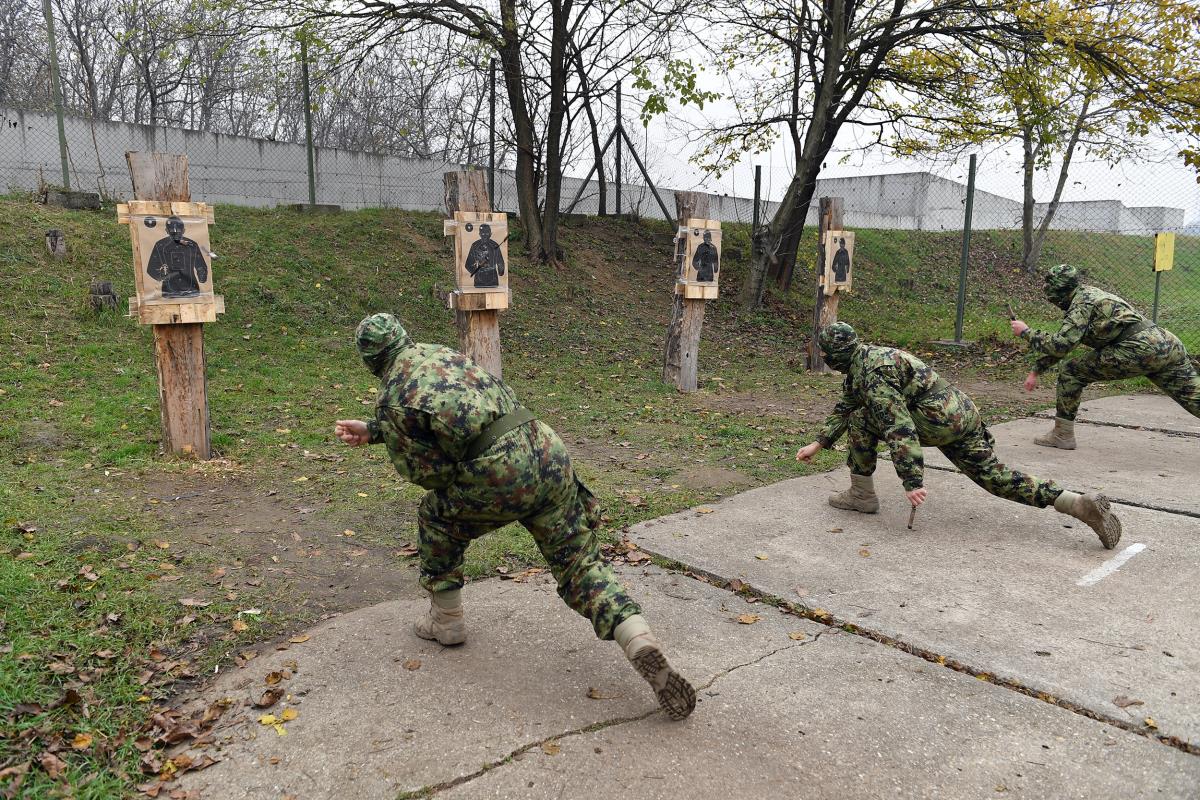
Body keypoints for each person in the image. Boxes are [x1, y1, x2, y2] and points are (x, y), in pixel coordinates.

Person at [334, 313, 696, 719]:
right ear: (404, 337)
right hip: (544, 448)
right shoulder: (440, 354)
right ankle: (636, 636)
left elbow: (429, 475)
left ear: (370, 360)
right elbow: (458, 410)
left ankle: (446, 620)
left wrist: (414, 446)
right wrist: (376, 430)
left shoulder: (392, 396)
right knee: (578, 563)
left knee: (436, 519)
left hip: (499, 472)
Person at [794, 322, 1122, 549]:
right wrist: (819, 443)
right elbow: (846, 403)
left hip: (936, 420)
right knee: (993, 475)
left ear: (835, 355)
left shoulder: (871, 374)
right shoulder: (868, 357)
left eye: (826, 354)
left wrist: (912, 481)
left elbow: (899, 427)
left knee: (862, 420)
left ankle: (861, 495)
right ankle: (1074, 503)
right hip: (963, 413)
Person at [1012, 263, 1199, 449]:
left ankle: (1062, 435)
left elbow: (1060, 345)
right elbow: (1068, 342)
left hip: (1138, 349)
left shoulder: (1081, 305)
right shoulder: (1089, 294)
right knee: (1194, 397)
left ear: (1058, 290)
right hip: (1167, 344)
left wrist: (1026, 332)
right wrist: (1037, 370)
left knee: (1071, 372)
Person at [147, 216, 207, 297]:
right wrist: (161, 275)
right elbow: (151, 268)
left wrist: (202, 275)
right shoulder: (160, 245)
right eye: (172, 230)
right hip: (169, 290)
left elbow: (201, 265)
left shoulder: (192, 245)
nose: (175, 233)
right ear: (167, 231)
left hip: (191, 289)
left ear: (183, 230)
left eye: (178, 230)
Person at [464, 224, 505, 288]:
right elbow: (468, 264)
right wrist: (501, 272)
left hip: (489, 279)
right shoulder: (494, 245)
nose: (485, 235)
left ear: (490, 234)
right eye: (483, 233)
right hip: (484, 278)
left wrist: (474, 271)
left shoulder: (476, 245)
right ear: (479, 234)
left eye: (487, 233)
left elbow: (500, 263)